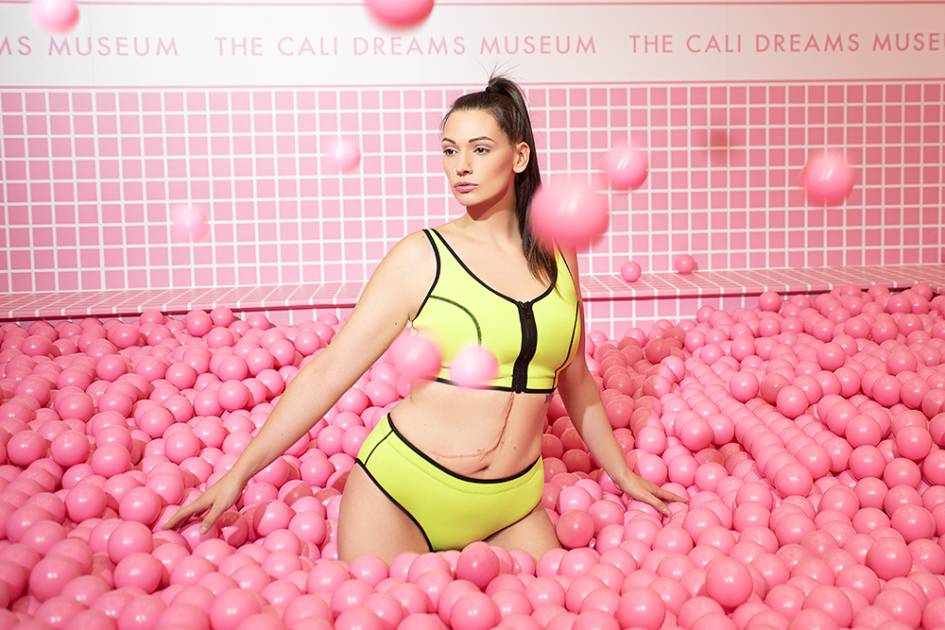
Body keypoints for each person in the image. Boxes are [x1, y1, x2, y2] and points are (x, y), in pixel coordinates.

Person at [162, 73, 687, 562]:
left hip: (510, 505)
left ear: (519, 156)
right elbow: (329, 371)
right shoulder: (422, 256)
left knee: (563, 605)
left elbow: (575, 377)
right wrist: (239, 475)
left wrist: (623, 474)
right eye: (450, 151)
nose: (461, 166)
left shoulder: (558, 250)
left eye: (480, 149)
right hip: (403, 495)